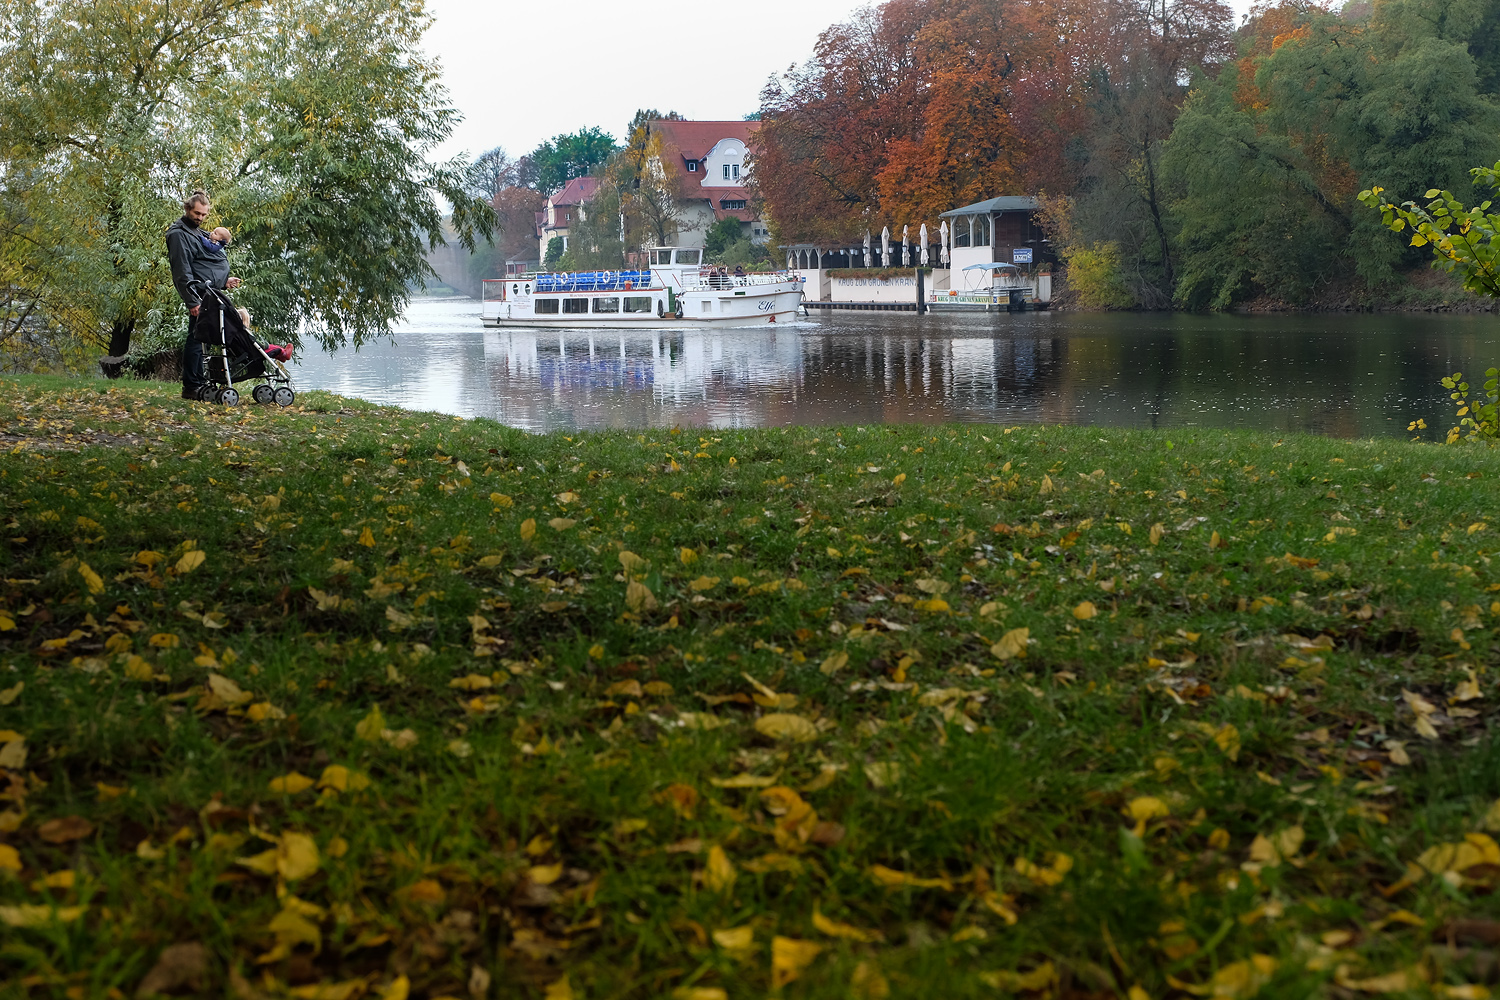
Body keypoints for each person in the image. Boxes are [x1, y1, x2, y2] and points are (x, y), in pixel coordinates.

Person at [165, 191, 241, 400]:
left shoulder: (198, 232)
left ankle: (199, 382)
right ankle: (191, 386)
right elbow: (182, 271)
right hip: (197, 295)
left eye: (204, 215)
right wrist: (192, 301)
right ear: (188, 209)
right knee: (195, 339)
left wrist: (223, 282)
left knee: (201, 339)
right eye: (197, 213)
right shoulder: (178, 234)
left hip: (209, 293)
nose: (200, 218)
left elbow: (204, 264)